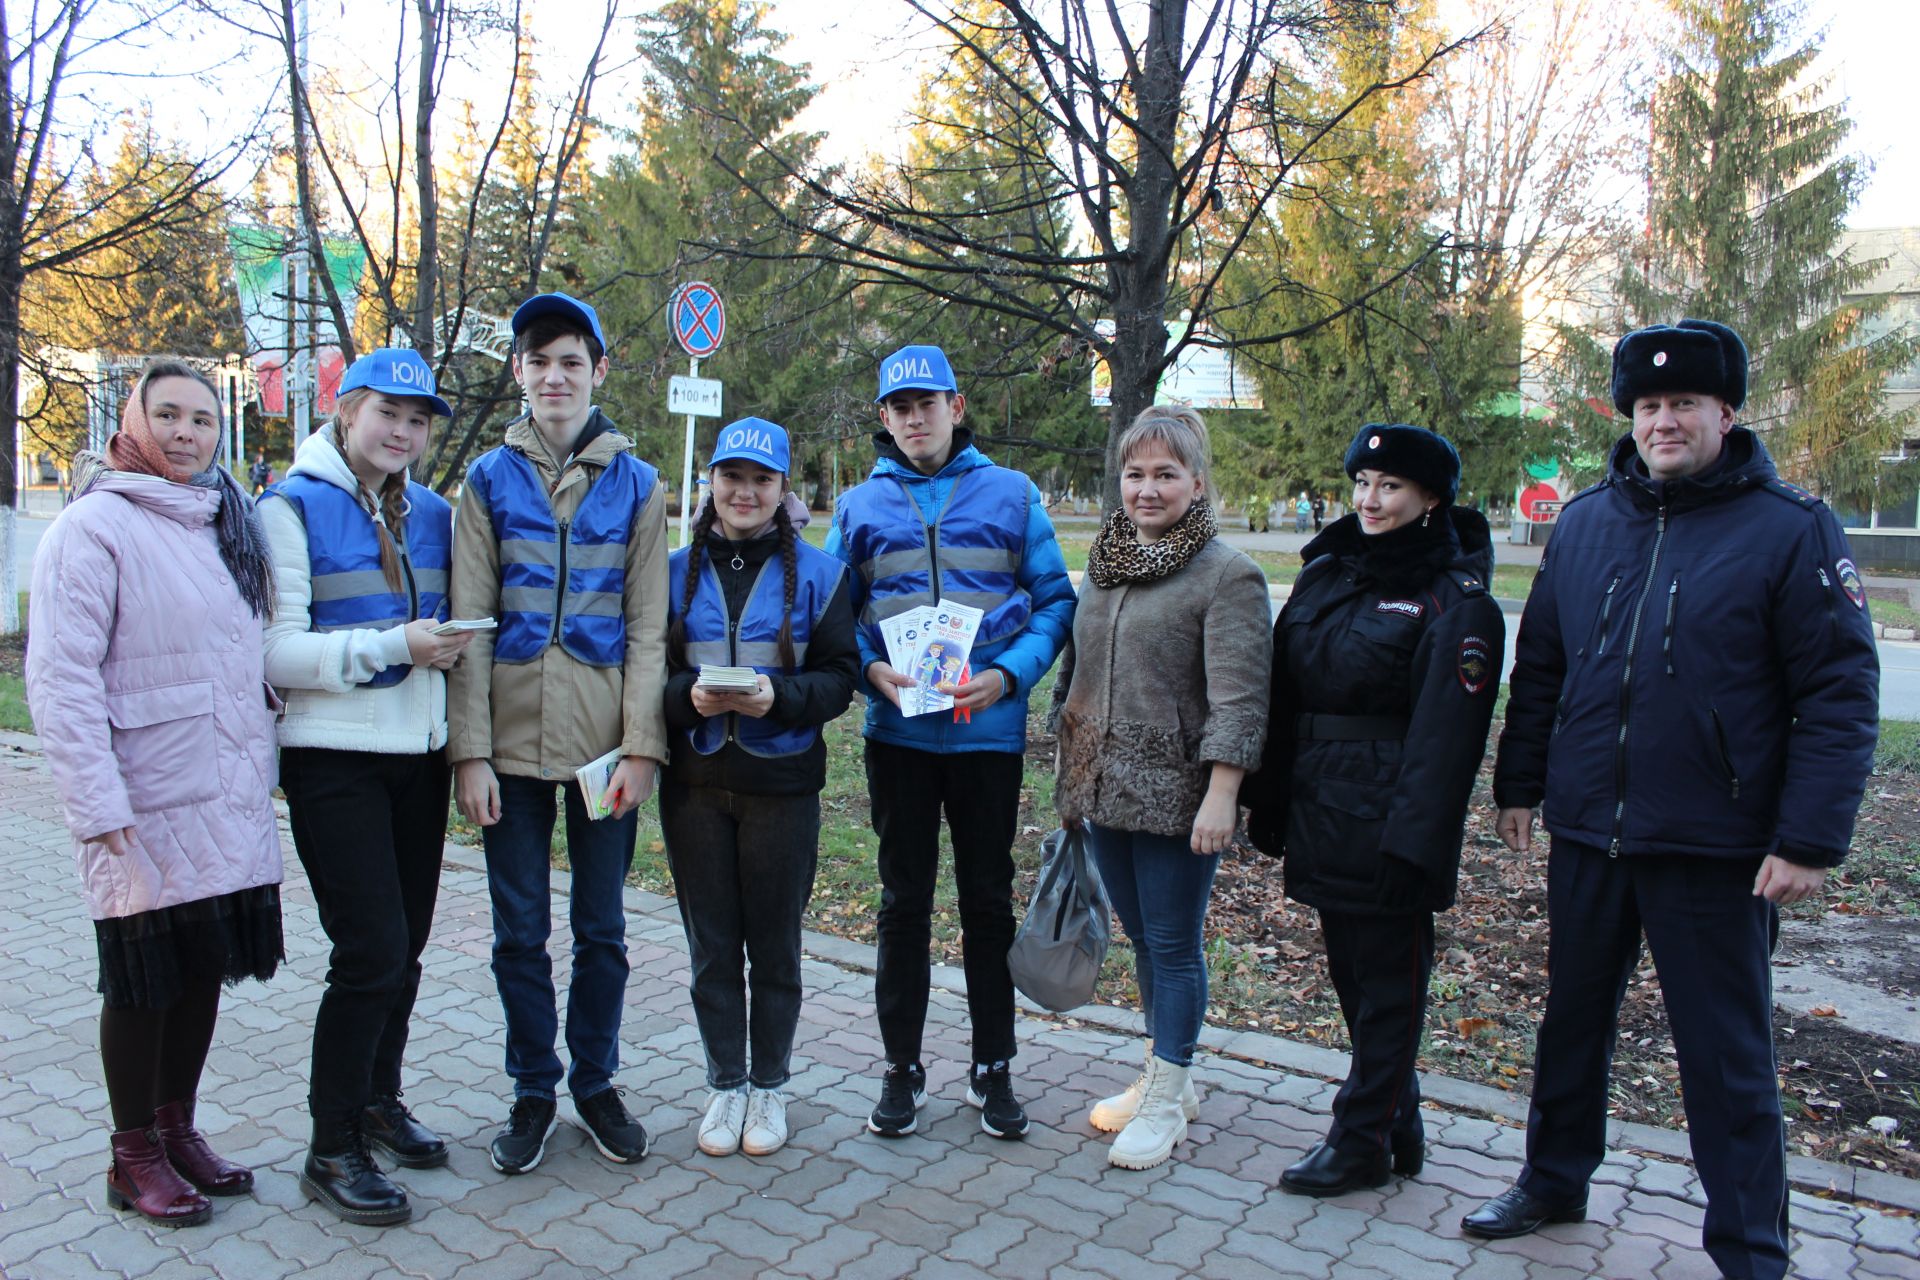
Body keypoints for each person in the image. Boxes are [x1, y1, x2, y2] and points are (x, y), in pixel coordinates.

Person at [1464, 320, 1879, 1280]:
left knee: (1724, 1054)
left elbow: (1838, 694)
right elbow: (1546, 670)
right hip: (1589, 832)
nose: (1663, 422)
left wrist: (1811, 838)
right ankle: (1553, 1180)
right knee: (1572, 1019)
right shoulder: (1586, 523)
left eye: (1684, 404)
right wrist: (1521, 783)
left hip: (1716, 843)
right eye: (1648, 406)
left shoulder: (1791, 528)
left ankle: (1748, 1246)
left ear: (1725, 413)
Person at [27, 361, 283, 1228]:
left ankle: (177, 1128)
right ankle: (130, 1153)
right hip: (141, 800)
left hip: (222, 789)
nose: (185, 432)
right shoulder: (92, 528)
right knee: (141, 980)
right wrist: (96, 810)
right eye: (167, 414)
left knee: (200, 970)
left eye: (203, 419)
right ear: (133, 420)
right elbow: (61, 683)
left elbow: (233, 652)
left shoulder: (223, 523)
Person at [1244, 424, 1504, 1196]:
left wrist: (1416, 844)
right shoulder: (1332, 575)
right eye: (1362, 482)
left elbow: (1446, 743)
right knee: (1354, 980)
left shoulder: (1453, 601)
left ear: (1430, 499)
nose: (1370, 500)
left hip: (1390, 816)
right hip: (1323, 804)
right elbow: (1286, 691)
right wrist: (1269, 795)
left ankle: (1360, 1138)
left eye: (1390, 487)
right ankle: (1399, 1123)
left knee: (1390, 985)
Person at [825, 343, 1076, 1141]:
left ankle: (992, 1067)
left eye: (927, 404)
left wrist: (1008, 677)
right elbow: (835, 616)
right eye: (899, 408)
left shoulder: (1012, 494)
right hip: (898, 737)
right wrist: (871, 671)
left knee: (986, 904)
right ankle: (901, 1070)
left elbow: (1055, 602)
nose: (914, 419)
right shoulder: (860, 507)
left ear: (956, 406)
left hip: (987, 738)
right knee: (903, 906)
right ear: (884, 418)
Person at [447, 293, 670, 1174]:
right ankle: (533, 1089)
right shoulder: (485, 481)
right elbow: (467, 618)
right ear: (518, 373)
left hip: (603, 748)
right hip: (507, 744)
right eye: (538, 361)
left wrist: (646, 747)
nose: (554, 376)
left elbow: (649, 627)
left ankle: (596, 1082)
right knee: (518, 931)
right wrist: (469, 752)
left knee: (603, 929)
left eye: (570, 360)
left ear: (598, 371)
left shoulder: (640, 484)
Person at [259, 349, 467, 1225]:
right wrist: (392, 649)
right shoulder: (289, 507)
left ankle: (381, 1101)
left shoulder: (432, 513)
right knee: (370, 953)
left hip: (416, 756)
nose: (404, 432)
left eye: (419, 421)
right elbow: (275, 652)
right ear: (345, 409)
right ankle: (331, 1144)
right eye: (389, 412)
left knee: (405, 949)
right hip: (333, 756)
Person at [1053, 405, 1271, 1170]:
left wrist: (1223, 792)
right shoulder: (1106, 563)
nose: (1148, 490)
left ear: (1198, 482)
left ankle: (1170, 1091)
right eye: (1135, 474)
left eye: (1165, 475)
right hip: (1104, 783)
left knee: (1174, 946)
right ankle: (1165, 1072)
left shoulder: (1227, 575)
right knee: (1142, 940)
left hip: (1179, 793)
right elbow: (1078, 668)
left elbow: (1241, 699)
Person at [662, 418, 859, 1158]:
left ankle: (770, 1087)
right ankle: (725, 1084)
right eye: (731, 478)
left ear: (784, 492)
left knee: (775, 948)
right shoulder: (669, 569)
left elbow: (840, 678)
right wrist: (688, 699)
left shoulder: (822, 573)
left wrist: (780, 699)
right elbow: (646, 676)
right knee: (712, 949)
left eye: (762, 481)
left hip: (783, 787)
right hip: (696, 787)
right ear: (710, 484)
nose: (745, 493)